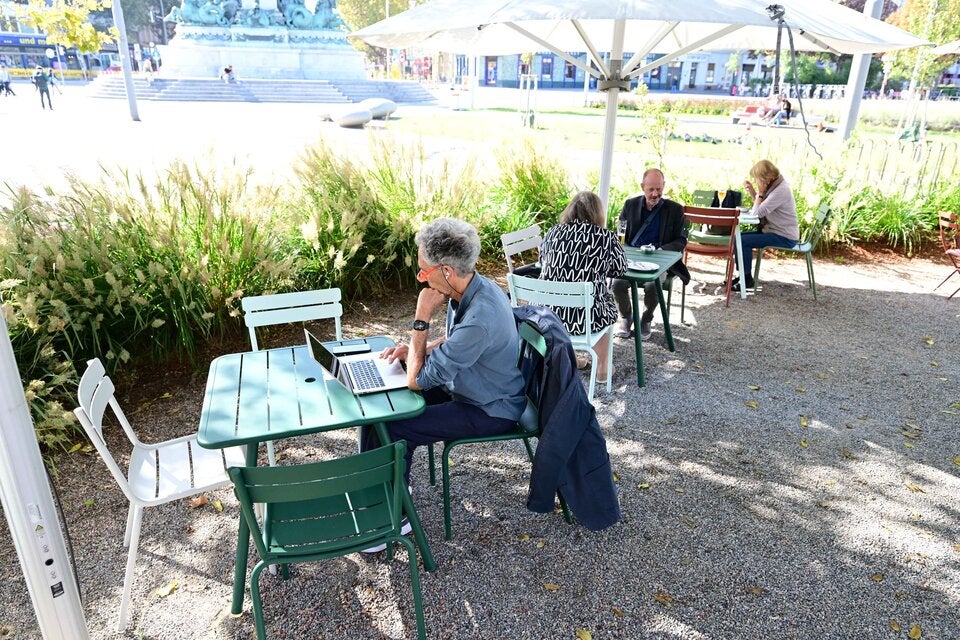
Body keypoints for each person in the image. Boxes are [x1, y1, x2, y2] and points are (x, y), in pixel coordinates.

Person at [361, 218, 527, 486]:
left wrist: (422, 314)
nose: (421, 280)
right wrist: (422, 349)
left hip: (488, 408)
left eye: (423, 272)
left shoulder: (480, 318)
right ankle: (370, 490)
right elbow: (456, 340)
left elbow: (416, 382)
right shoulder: (473, 286)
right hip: (466, 386)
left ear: (447, 270)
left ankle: (394, 514)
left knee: (392, 428)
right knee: (379, 410)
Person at [539, 191, 626, 385]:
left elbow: (541, 261)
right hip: (585, 319)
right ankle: (602, 368)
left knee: (581, 299)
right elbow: (620, 269)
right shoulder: (605, 237)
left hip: (549, 316)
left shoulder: (552, 232)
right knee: (605, 306)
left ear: (570, 210)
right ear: (598, 213)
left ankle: (572, 357)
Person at [611, 168, 690, 340]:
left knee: (653, 285)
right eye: (651, 189)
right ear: (642, 187)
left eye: (659, 189)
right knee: (617, 283)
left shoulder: (675, 210)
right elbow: (620, 233)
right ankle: (626, 316)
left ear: (664, 187)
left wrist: (662, 250)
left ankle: (646, 319)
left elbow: (681, 240)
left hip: (659, 260)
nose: (655, 194)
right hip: (632, 259)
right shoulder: (630, 205)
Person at [737, 159, 801, 292]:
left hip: (784, 236)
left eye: (757, 179)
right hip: (773, 231)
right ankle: (742, 276)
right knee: (737, 238)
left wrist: (759, 193)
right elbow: (763, 206)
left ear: (767, 178)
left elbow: (757, 213)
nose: (756, 182)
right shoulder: (775, 186)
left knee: (742, 241)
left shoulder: (780, 190)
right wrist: (753, 193)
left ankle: (746, 279)